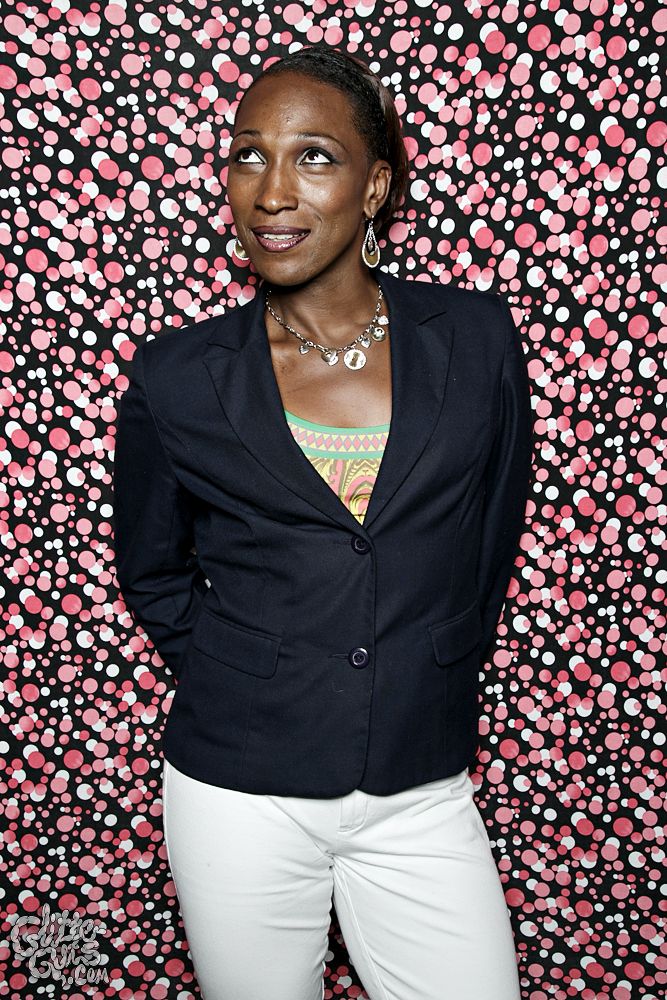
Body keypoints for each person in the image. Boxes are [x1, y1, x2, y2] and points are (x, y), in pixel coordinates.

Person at [114, 46, 532, 1000]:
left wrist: (421, 669)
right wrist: (248, 668)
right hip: (238, 790)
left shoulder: (474, 338)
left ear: (374, 186)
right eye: (247, 155)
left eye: (313, 156)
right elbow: (152, 568)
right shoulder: (177, 376)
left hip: (419, 779)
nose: (271, 191)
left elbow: (489, 536)